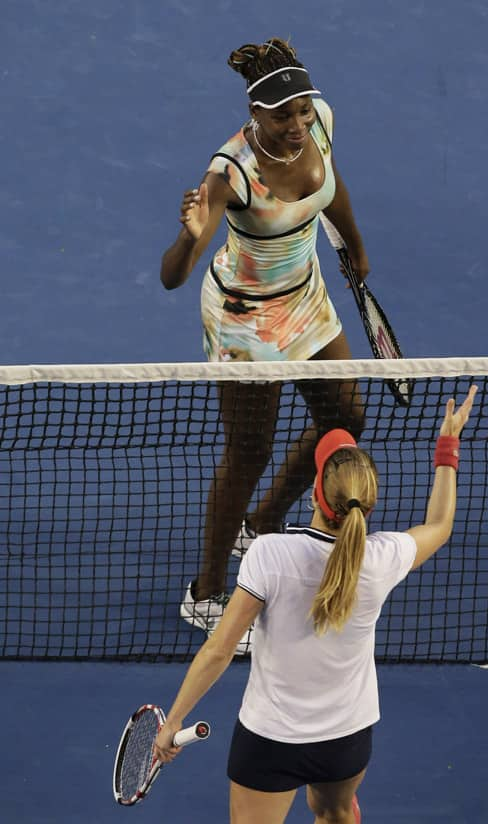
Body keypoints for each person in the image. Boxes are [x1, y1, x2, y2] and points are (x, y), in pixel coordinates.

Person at [154, 386, 478, 824]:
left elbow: (219, 649)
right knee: (335, 811)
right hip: (347, 739)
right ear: (367, 504)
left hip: (269, 740)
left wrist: (172, 722)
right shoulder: (382, 558)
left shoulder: (269, 554)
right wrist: (448, 442)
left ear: (313, 495)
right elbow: (439, 524)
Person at [160, 38, 370, 651]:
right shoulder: (227, 173)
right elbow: (174, 276)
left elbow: (332, 186)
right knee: (248, 453)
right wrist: (188, 235)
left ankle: (263, 525)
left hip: (306, 296)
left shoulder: (319, 124)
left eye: (303, 109)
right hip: (246, 324)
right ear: (256, 113)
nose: (298, 123)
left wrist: (353, 243)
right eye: (283, 115)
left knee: (346, 417)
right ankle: (205, 594)